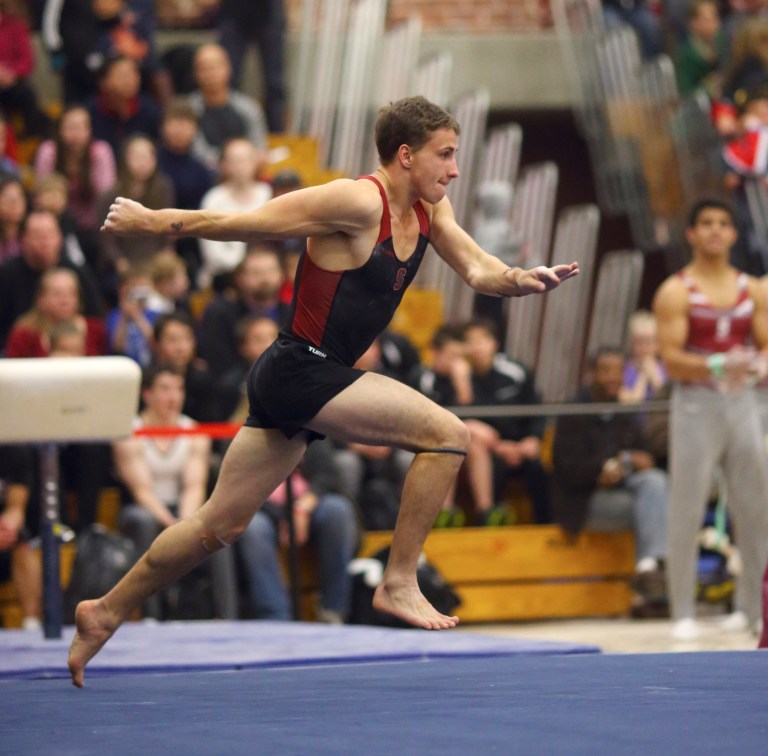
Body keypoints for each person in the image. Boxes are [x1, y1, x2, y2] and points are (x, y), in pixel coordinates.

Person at [67, 95, 578, 686]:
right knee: (448, 434)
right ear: (406, 155)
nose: (455, 169)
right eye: (446, 155)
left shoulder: (432, 210)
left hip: (305, 377)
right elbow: (245, 223)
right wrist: (156, 220)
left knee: (217, 527)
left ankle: (103, 611)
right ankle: (399, 580)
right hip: (301, 369)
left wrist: (522, 279)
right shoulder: (357, 200)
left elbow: (479, 268)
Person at [653, 197, 768, 640]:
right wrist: (717, 366)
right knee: (687, 503)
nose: (716, 231)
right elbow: (672, 361)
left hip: (744, 405)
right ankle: (682, 609)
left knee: (754, 509)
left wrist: (757, 364)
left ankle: (753, 608)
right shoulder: (676, 291)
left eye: (724, 223)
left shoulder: (751, 289)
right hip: (697, 405)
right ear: (692, 233)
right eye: (707, 224)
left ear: (734, 234)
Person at [112, 363, 238, 620]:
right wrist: (169, 523)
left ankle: (228, 615)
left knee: (219, 529)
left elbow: (194, 486)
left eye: (179, 389)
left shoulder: (194, 431)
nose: (173, 397)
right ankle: (151, 615)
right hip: (144, 509)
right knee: (143, 520)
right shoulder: (129, 431)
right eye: (165, 389)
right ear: (147, 394)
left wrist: (185, 522)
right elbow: (142, 490)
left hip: (183, 509)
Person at [551, 347, 669, 609]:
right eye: (606, 370)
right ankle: (655, 576)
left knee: (656, 483)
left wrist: (635, 461)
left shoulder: (625, 413)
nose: (613, 377)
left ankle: (649, 566)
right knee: (655, 507)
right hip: (584, 500)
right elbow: (566, 470)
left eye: (619, 371)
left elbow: (646, 457)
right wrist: (599, 472)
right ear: (592, 374)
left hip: (626, 490)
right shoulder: (573, 412)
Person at [460, 318, 552, 525]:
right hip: (488, 449)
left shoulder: (516, 372)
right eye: (471, 341)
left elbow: (536, 408)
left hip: (521, 445)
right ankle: (487, 523)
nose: (477, 347)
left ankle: (546, 526)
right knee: (495, 470)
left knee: (538, 470)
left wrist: (533, 439)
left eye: (483, 340)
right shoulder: (460, 378)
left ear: (495, 343)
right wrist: (499, 447)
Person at [197, 137, 272, 290]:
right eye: (234, 161)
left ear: (256, 162)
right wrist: (247, 268)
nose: (240, 166)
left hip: (264, 275)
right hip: (224, 278)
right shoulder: (213, 199)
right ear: (224, 165)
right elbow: (213, 253)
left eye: (245, 160)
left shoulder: (268, 194)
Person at [185, 43, 268, 170]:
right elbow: (195, 152)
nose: (210, 74)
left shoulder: (249, 108)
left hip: (244, 176)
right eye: (204, 69)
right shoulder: (188, 109)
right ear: (195, 73)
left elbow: (260, 151)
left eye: (215, 67)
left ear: (228, 69)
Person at [4, 266, 107, 357]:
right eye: (57, 294)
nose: (65, 300)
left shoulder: (96, 330)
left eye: (71, 293)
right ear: (41, 299)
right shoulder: (24, 335)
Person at [0, 444, 41, 630]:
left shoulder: (14, 449)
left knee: (22, 542)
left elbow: (16, 508)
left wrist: (7, 529)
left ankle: (31, 621)